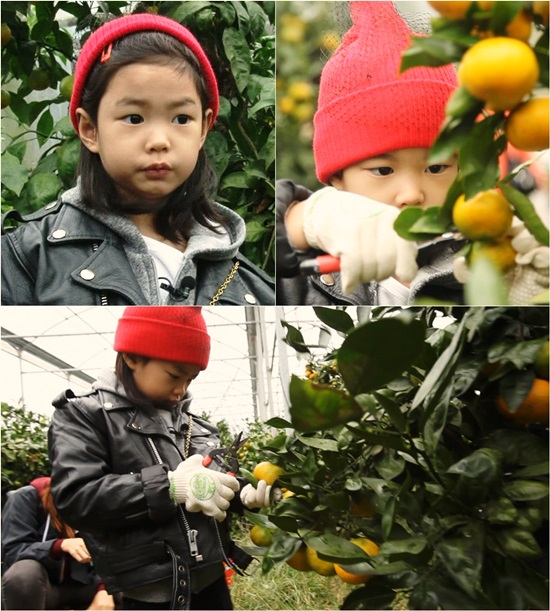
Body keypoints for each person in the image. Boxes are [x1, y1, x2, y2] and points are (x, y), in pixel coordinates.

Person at [276, 1, 548, 306]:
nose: (411, 194)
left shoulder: (488, 263)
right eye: (383, 170)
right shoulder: (304, 277)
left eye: (435, 168)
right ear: (337, 179)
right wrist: (298, 221)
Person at [1, 13, 274, 306]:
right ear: (90, 129)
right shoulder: (25, 257)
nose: (159, 140)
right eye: (134, 118)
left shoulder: (247, 283)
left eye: (181, 118)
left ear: (204, 129)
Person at [48, 307, 277, 610]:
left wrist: (243, 495)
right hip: (149, 593)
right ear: (131, 357)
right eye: (174, 375)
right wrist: (171, 487)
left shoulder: (196, 425)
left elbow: (209, 485)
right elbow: (78, 498)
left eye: (190, 379)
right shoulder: (84, 417)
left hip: (211, 581)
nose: (181, 390)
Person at [1, 476, 117, 610]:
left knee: (118, 589)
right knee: (23, 575)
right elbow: (13, 552)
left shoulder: (93, 502)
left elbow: (108, 552)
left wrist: (104, 589)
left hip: (81, 587)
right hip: (41, 590)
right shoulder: (26, 497)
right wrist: (59, 546)